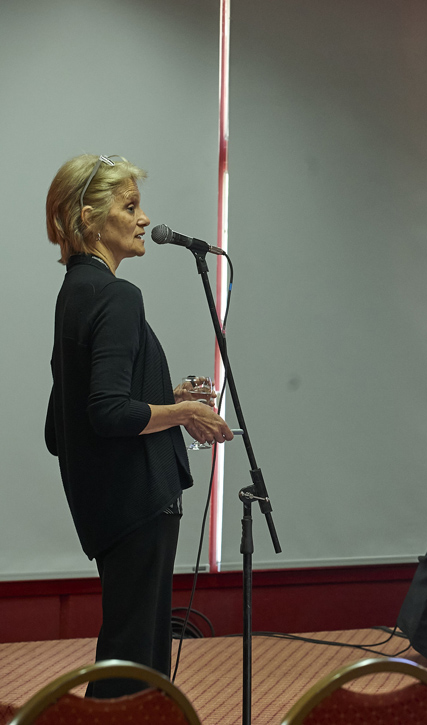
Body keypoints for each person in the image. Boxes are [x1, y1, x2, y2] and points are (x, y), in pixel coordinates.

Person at [43, 154, 233, 698]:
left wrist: (165, 399)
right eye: (130, 207)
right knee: (136, 665)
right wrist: (186, 413)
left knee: (130, 656)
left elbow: (63, 425)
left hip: (108, 507)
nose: (144, 218)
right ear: (89, 218)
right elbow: (106, 412)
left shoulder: (74, 293)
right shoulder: (117, 295)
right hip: (138, 502)